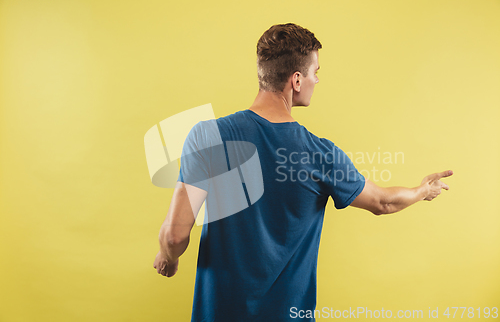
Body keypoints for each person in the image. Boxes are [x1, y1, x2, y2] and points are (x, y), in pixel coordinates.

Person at [153, 23, 453, 321]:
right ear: (296, 80)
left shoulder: (207, 136)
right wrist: (423, 190)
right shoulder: (321, 153)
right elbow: (383, 202)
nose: (317, 80)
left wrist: (169, 258)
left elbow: (174, 236)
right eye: (316, 72)